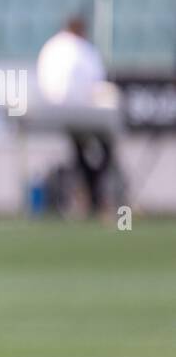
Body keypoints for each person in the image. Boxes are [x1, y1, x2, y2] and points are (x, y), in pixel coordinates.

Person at [35, 16, 114, 215]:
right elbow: (96, 82)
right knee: (104, 148)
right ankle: (93, 195)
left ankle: (88, 196)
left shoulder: (51, 47)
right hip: (82, 111)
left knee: (81, 151)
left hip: (56, 108)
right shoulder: (83, 49)